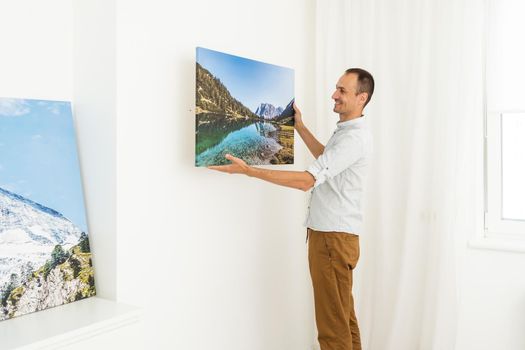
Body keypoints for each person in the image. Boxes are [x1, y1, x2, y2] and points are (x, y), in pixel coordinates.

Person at [209, 68, 374, 350]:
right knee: (343, 319)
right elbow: (327, 159)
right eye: (336, 88)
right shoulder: (348, 133)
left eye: (342, 91)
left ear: (362, 98)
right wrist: (299, 126)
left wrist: (250, 172)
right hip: (336, 238)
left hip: (332, 241)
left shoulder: (353, 138)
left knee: (332, 329)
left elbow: (307, 181)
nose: (334, 95)